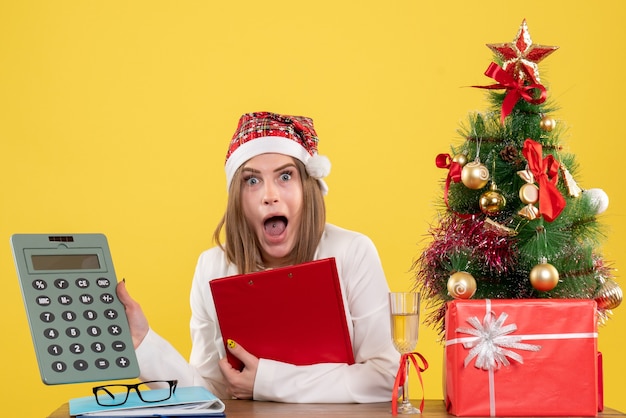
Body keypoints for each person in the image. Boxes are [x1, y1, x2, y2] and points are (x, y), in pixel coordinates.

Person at [116, 111, 401, 403]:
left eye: (285, 176)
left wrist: (267, 381)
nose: (269, 195)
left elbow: (386, 379)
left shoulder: (352, 252)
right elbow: (210, 394)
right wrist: (143, 344)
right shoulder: (212, 267)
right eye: (252, 181)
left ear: (308, 187)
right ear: (237, 198)